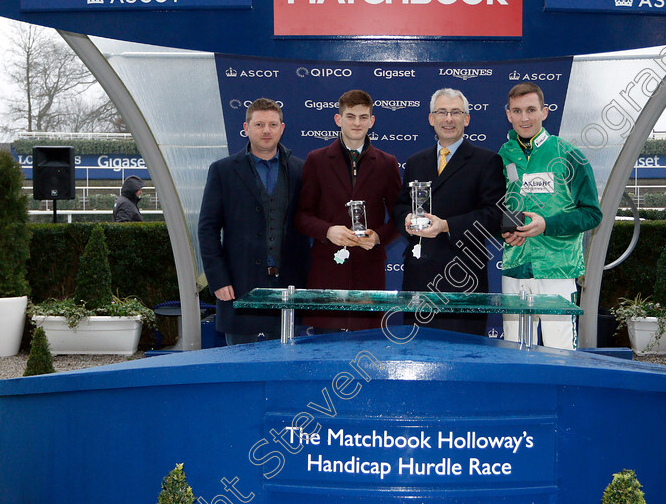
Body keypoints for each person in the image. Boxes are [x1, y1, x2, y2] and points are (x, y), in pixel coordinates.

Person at [393, 87, 505, 336]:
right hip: (418, 277)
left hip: (462, 277)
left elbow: (494, 216)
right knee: (416, 352)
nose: (449, 119)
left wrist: (446, 225)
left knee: (463, 356)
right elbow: (401, 206)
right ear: (431, 118)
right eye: (442, 112)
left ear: (467, 118)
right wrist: (407, 219)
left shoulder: (486, 161)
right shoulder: (415, 162)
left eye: (456, 112)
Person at [498, 82, 602, 349]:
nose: (524, 118)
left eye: (531, 110)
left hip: (557, 268)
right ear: (508, 114)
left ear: (544, 112)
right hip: (515, 267)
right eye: (517, 111)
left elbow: (591, 214)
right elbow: (494, 207)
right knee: (514, 350)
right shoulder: (502, 156)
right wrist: (504, 230)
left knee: (560, 352)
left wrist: (547, 225)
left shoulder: (568, 154)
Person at [198, 98, 309, 345]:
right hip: (239, 288)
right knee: (241, 372)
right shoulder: (222, 170)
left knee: (287, 371)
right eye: (259, 124)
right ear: (246, 128)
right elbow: (207, 229)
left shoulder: (302, 170)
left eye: (272, 124)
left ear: (282, 128)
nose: (266, 130)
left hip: (290, 290)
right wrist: (218, 279)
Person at [295, 90, 402, 330]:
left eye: (363, 117)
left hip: (369, 270)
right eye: (351, 116)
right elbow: (302, 215)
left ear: (372, 121)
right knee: (324, 348)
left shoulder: (387, 163)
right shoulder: (316, 160)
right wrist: (327, 231)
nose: (357, 123)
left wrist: (377, 237)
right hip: (327, 270)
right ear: (338, 119)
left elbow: (399, 217)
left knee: (367, 344)